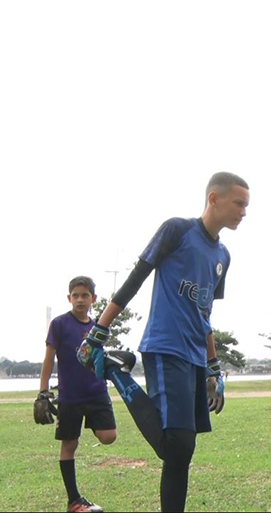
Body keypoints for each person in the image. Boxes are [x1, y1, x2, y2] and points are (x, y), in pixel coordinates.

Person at [76, 172, 249, 512]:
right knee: (177, 445)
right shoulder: (177, 230)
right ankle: (115, 370)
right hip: (165, 345)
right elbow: (135, 278)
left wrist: (213, 367)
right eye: (239, 203)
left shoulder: (223, 256)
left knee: (182, 453)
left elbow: (205, 313)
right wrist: (99, 330)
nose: (244, 211)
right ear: (214, 199)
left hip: (195, 356)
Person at [35, 277, 124, 513]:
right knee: (69, 444)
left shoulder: (97, 327)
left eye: (85, 295)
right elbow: (48, 359)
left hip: (96, 392)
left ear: (93, 299)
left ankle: (91, 423)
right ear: (69, 298)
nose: (80, 299)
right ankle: (74, 501)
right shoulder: (60, 324)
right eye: (76, 295)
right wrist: (43, 392)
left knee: (109, 436)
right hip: (70, 397)